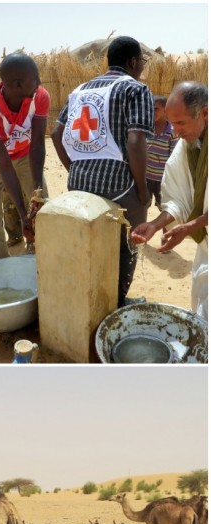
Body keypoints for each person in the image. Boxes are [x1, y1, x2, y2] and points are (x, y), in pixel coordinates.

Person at [51, 36, 154, 307]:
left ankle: (87, 298)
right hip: (119, 186)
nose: (142, 67)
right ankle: (117, 300)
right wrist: (142, 191)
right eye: (141, 62)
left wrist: (74, 169)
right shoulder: (136, 89)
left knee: (88, 243)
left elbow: (56, 133)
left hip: (79, 183)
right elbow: (135, 141)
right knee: (128, 243)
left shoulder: (80, 90)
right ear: (133, 62)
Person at [130, 82, 208, 320]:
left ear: (205, 113)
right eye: (173, 123)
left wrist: (192, 226)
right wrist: (154, 225)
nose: (176, 131)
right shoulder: (188, 145)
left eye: (181, 123)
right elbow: (178, 198)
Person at [0, 53, 50, 259]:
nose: (40, 82)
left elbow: (37, 145)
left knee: (43, 207)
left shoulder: (40, 96)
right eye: (35, 77)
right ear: (17, 84)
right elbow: (4, 166)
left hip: (26, 156)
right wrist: (22, 215)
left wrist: (36, 194)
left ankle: (40, 254)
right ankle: (0, 266)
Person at [146, 95, 178, 208]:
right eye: (150, 108)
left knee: (165, 208)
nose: (152, 112)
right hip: (145, 178)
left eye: (156, 109)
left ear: (166, 111)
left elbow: (174, 158)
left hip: (163, 180)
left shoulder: (172, 132)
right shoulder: (146, 128)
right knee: (143, 207)